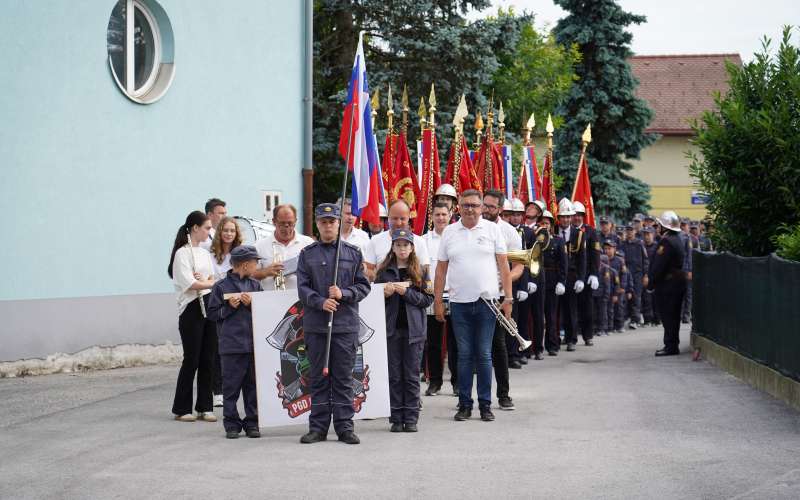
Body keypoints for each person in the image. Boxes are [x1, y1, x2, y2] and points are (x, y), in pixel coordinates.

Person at [434, 189, 512, 422]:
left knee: (485, 354)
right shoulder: (449, 232)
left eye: (475, 205)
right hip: (459, 304)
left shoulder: (493, 230)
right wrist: (438, 301)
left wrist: (508, 299)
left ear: (481, 208)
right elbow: (440, 270)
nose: (470, 209)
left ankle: (485, 405)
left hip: (487, 303)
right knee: (465, 355)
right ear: (458, 207)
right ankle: (465, 404)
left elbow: (504, 267)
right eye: (466, 205)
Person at [297, 203, 371, 445]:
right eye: (323, 222)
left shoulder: (352, 253)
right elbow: (303, 288)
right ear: (317, 224)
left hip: (344, 326)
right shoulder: (307, 254)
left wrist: (344, 293)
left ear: (339, 223)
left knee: (342, 378)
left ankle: (344, 427)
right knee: (318, 378)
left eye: (332, 221)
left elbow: (363, 286)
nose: (328, 225)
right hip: (317, 326)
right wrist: (320, 302)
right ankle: (317, 428)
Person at [376, 229, 433, 432]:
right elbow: (373, 299)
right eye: (398, 245)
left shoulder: (421, 271)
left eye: (406, 245)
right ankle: (395, 418)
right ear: (392, 247)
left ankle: (411, 418)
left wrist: (406, 293)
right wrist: (384, 293)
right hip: (391, 330)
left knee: (410, 375)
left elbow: (428, 299)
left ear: (412, 247)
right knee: (394, 375)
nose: (402, 249)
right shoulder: (383, 272)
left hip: (414, 331)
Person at [207, 245, 263, 439]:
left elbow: (264, 312)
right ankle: (231, 424)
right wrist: (229, 307)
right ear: (245, 264)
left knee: (252, 388)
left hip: (253, 347)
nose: (258, 265)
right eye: (256, 262)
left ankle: (252, 423)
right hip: (231, 347)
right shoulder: (220, 287)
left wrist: (252, 305)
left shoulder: (255, 286)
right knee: (230, 388)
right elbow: (212, 314)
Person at [167, 211, 218, 423]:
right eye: (206, 228)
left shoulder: (204, 253)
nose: (209, 232)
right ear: (195, 228)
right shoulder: (182, 253)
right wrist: (208, 283)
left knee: (209, 358)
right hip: (191, 308)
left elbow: (212, 276)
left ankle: (205, 407)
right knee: (192, 359)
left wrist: (207, 281)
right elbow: (190, 284)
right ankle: (182, 408)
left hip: (208, 303)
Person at [482, 190, 523, 409]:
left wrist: (504, 283)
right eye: (484, 205)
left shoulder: (509, 232)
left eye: (490, 206)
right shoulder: (472, 227)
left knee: (498, 346)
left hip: (498, 295)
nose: (486, 209)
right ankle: (468, 397)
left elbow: (518, 267)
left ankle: (503, 394)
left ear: (500, 209)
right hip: (474, 295)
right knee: (470, 348)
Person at [422, 203, 457, 397]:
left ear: (450, 215)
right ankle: (434, 382)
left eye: (444, 214)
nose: (441, 218)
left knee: (456, 342)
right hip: (432, 295)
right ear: (432, 216)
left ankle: (457, 382)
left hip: (455, 295)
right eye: (438, 214)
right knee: (433, 342)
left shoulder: (456, 237)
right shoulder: (424, 240)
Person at [209, 216, 244, 406]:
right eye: (226, 230)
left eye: (232, 230)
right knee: (217, 346)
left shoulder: (239, 254)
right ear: (219, 232)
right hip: (218, 300)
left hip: (238, 302)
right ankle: (218, 390)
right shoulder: (211, 254)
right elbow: (209, 276)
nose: (229, 234)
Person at [648, 211, 687, 356]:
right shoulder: (677, 238)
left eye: (660, 225)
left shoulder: (667, 241)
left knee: (668, 316)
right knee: (673, 316)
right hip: (675, 283)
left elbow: (659, 265)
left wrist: (651, 283)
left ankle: (670, 346)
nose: (657, 227)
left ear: (666, 227)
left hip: (669, 285)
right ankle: (672, 345)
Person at [364, 199, 430, 281]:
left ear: (409, 218)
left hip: (412, 291)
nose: (398, 223)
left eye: (402, 219)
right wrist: (382, 278)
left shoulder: (420, 242)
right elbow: (368, 269)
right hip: (383, 291)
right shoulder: (375, 240)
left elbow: (426, 271)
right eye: (395, 218)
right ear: (388, 218)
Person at [253, 204, 314, 290]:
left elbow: (318, 272)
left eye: (290, 223)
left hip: (300, 300)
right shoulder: (259, 246)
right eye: (282, 223)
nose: (286, 226)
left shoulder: (308, 243)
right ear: (274, 221)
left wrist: (303, 271)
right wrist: (265, 272)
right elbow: (249, 275)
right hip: (270, 299)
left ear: (295, 221)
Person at [556, 198, 587, 351]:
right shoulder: (553, 231)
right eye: (563, 217)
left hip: (572, 275)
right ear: (559, 218)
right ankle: (555, 339)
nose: (566, 220)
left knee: (570, 309)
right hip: (556, 276)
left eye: (569, 216)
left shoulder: (578, 234)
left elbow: (582, 258)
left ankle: (571, 339)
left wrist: (581, 279)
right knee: (555, 309)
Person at [539, 211, 567, 355]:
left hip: (551, 279)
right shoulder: (535, 239)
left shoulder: (558, 240)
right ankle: (536, 347)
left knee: (551, 315)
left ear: (551, 226)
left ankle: (553, 345)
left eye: (547, 223)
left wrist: (561, 281)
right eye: (542, 223)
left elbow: (563, 263)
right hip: (537, 278)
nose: (544, 226)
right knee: (537, 316)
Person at [572, 201, 600, 347]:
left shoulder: (590, 231)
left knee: (586, 308)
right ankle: (571, 336)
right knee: (570, 308)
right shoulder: (566, 230)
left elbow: (595, 254)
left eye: (579, 215)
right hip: (571, 275)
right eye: (574, 215)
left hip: (587, 275)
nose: (577, 218)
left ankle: (588, 336)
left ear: (583, 216)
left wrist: (594, 274)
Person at [618, 224, 649, 329]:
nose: (629, 232)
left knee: (636, 297)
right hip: (626, 273)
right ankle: (626, 317)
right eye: (628, 230)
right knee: (626, 296)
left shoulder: (639, 244)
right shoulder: (622, 244)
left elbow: (645, 260)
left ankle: (635, 319)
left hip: (637, 274)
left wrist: (645, 275)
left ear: (635, 231)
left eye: (631, 230)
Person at [604, 241, 628, 333]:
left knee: (619, 307)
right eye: (605, 249)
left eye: (609, 249)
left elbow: (624, 274)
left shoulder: (620, 260)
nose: (607, 251)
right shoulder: (602, 260)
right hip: (607, 288)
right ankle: (610, 326)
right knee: (608, 309)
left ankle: (620, 325)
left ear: (614, 249)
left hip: (618, 288)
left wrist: (622, 287)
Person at [641, 227, 660, 326]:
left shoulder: (657, 247)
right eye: (645, 234)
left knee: (656, 299)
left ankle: (657, 319)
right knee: (646, 299)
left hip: (655, 275)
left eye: (648, 234)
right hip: (645, 275)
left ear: (653, 235)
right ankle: (647, 319)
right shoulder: (641, 246)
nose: (646, 236)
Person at [594, 254, 612, 336]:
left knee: (603, 313)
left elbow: (607, 282)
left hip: (602, 293)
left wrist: (606, 295)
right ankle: (596, 328)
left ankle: (603, 329)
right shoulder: (593, 265)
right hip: (594, 293)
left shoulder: (605, 268)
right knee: (595, 312)